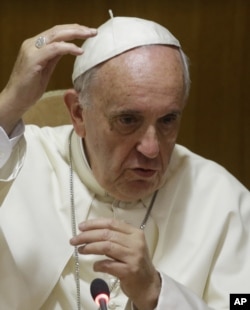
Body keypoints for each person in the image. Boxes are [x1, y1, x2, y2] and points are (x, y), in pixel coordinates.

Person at [0, 15, 249, 310]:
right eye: (128, 120)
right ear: (79, 114)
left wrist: (156, 292)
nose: (152, 149)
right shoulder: (21, 161)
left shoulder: (225, 201)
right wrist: (9, 104)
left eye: (168, 120)